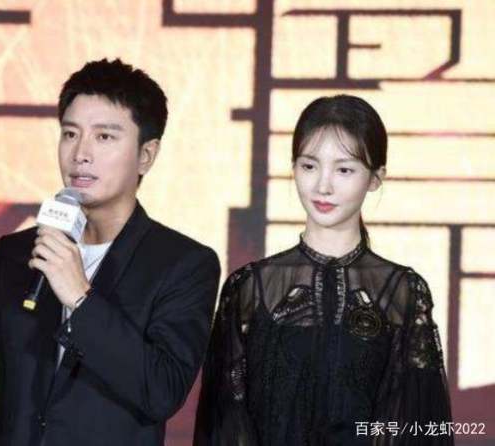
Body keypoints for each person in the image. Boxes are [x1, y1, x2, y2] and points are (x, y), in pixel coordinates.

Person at [0, 58, 221, 446]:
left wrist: (80, 298)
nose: (80, 153)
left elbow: (161, 391)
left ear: (146, 155)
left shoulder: (184, 264)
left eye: (104, 137)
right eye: (70, 134)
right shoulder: (16, 253)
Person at [193, 95, 454, 445]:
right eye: (309, 166)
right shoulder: (249, 288)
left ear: (376, 178)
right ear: (293, 168)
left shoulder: (404, 291)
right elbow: (222, 423)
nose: (323, 186)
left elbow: (418, 426)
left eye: (344, 170)